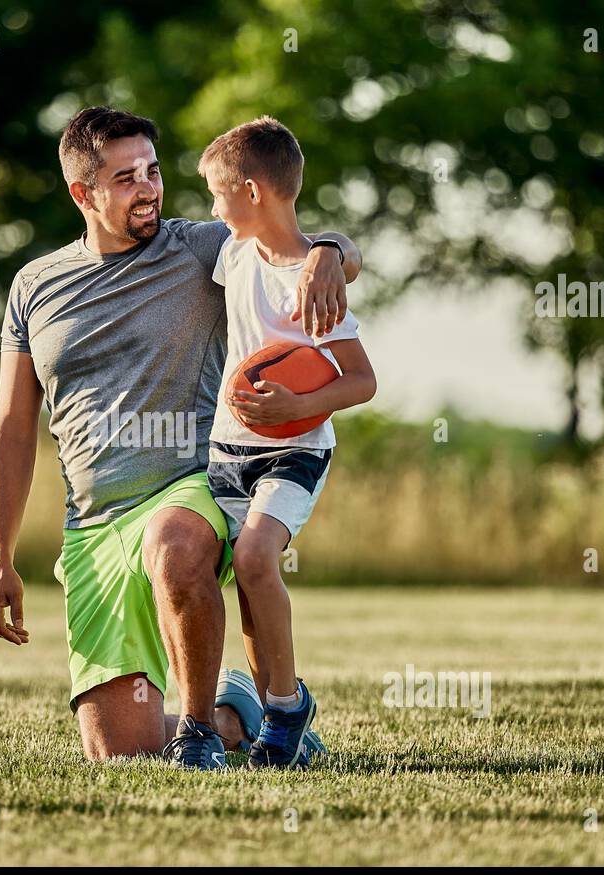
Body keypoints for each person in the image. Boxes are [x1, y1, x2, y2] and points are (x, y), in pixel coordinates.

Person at [0, 106, 360, 768]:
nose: (150, 188)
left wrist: (332, 251)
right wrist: (0, 556)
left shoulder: (199, 248)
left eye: (152, 171)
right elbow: (13, 425)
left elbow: (280, 224)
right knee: (120, 753)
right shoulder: (33, 287)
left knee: (174, 542)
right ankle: (234, 714)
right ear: (83, 193)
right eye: (126, 178)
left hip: (194, 486)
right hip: (94, 527)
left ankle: (197, 731)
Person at [199, 116, 377, 768]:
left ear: (250, 192)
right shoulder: (232, 254)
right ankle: (283, 712)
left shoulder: (315, 282)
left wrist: (300, 405)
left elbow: (362, 381)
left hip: (296, 449)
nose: (211, 210)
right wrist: (337, 243)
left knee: (253, 558)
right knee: (250, 577)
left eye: (218, 195)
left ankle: (284, 708)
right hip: (228, 447)